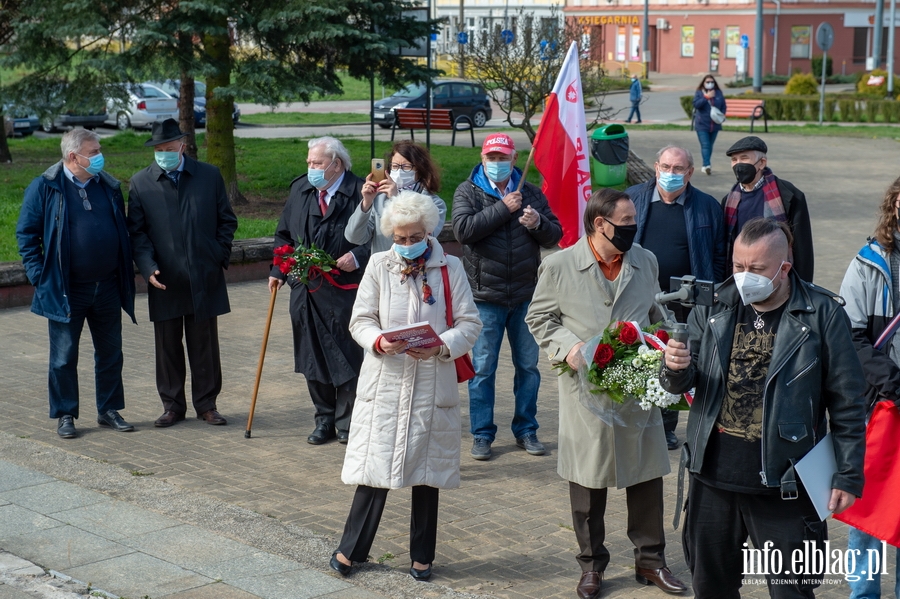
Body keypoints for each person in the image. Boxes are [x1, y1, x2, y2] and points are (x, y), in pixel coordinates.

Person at [661, 217, 866, 599]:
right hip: (712, 480)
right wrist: (675, 367)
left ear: (784, 268)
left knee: (791, 593)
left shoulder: (821, 315)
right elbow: (682, 386)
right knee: (711, 589)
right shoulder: (715, 305)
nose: (742, 277)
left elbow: (848, 403)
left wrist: (848, 475)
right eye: (738, 266)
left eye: (755, 269)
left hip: (786, 486)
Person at [526, 189, 686, 599]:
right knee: (586, 480)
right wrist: (570, 348)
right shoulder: (560, 265)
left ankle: (651, 561)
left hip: (636, 388)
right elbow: (539, 317)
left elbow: (657, 313)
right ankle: (591, 565)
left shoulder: (645, 261)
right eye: (627, 221)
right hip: (586, 392)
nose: (634, 227)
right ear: (600, 223)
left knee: (648, 475)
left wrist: (666, 340)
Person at [331, 191, 482, 581]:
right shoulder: (380, 265)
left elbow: (470, 324)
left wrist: (441, 346)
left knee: (427, 473)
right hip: (386, 381)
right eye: (399, 237)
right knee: (373, 468)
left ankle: (422, 556)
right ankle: (351, 549)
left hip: (433, 382)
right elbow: (360, 319)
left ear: (429, 231)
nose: (406, 244)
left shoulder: (450, 267)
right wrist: (380, 341)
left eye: (414, 236)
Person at [16, 128, 137, 439]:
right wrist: (40, 277)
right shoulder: (45, 187)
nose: (99, 156)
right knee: (63, 356)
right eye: (93, 152)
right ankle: (65, 414)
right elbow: (27, 235)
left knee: (111, 353)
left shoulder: (107, 186)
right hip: (67, 289)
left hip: (107, 286)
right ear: (74, 156)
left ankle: (108, 410)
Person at [452, 133, 562, 461]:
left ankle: (526, 429)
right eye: (492, 157)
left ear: (515, 160)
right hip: (486, 297)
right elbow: (463, 231)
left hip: (526, 296)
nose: (497, 164)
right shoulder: (468, 190)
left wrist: (538, 222)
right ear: (483, 159)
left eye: (503, 158)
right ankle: (482, 434)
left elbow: (555, 234)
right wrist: (504, 208)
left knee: (528, 367)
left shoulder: (531, 192)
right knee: (483, 368)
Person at [127, 119, 237, 428]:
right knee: (167, 346)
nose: (163, 154)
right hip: (164, 279)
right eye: (158, 150)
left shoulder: (209, 176)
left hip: (204, 276)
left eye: (169, 149)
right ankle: (172, 406)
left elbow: (226, 220)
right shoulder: (141, 183)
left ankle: (207, 404)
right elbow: (137, 234)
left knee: (204, 344)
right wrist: (148, 268)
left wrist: (217, 255)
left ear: (182, 147)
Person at [269, 136, 370, 445]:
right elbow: (284, 234)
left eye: (317, 163)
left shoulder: (361, 192)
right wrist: (278, 271)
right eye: (309, 163)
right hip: (305, 288)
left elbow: (383, 237)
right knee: (311, 353)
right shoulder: (301, 189)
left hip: (345, 289)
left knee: (347, 352)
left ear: (336, 164)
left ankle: (347, 422)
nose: (311, 168)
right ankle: (323, 418)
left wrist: (357, 256)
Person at [626, 144, 726, 450]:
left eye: (678, 169)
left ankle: (668, 426)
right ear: (656, 167)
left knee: (677, 362)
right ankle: (639, 421)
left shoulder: (707, 206)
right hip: (644, 297)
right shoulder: (633, 199)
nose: (671, 174)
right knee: (641, 356)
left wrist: (713, 293)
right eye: (666, 167)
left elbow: (720, 255)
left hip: (688, 302)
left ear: (690, 172)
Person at [839, 177, 900, 598]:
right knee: (869, 509)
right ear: (894, 206)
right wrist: (893, 382)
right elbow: (850, 334)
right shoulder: (869, 261)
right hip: (878, 403)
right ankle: (864, 594)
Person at [722, 136, 814, 282]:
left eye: (744, 158)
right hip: (739, 278)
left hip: (778, 279)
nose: (738, 165)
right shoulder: (728, 201)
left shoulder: (788, 196)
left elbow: (803, 249)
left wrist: (804, 287)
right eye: (734, 160)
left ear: (762, 163)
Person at [345, 140, 447, 252]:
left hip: (419, 266)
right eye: (395, 166)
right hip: (385, 267)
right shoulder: (379, 200)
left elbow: (425, 237)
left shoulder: (435, 203)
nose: (399, 171)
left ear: (420, 169)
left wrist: (396, 199)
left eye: (406, 166)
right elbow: (354, 237)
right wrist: (366, 203)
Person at [692, 74, 726, 175]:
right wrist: (706, 97)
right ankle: (706, 165)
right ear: (703, 83)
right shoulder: (699, 92)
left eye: (712, 82)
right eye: (707, 82)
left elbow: (723, 105)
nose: (710, 84)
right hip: (702, 124)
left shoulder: (718, 93)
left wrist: (722, 115)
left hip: (715, 124)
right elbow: (696, 104)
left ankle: (706, 164)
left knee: (710, 146)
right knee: (705, 145)